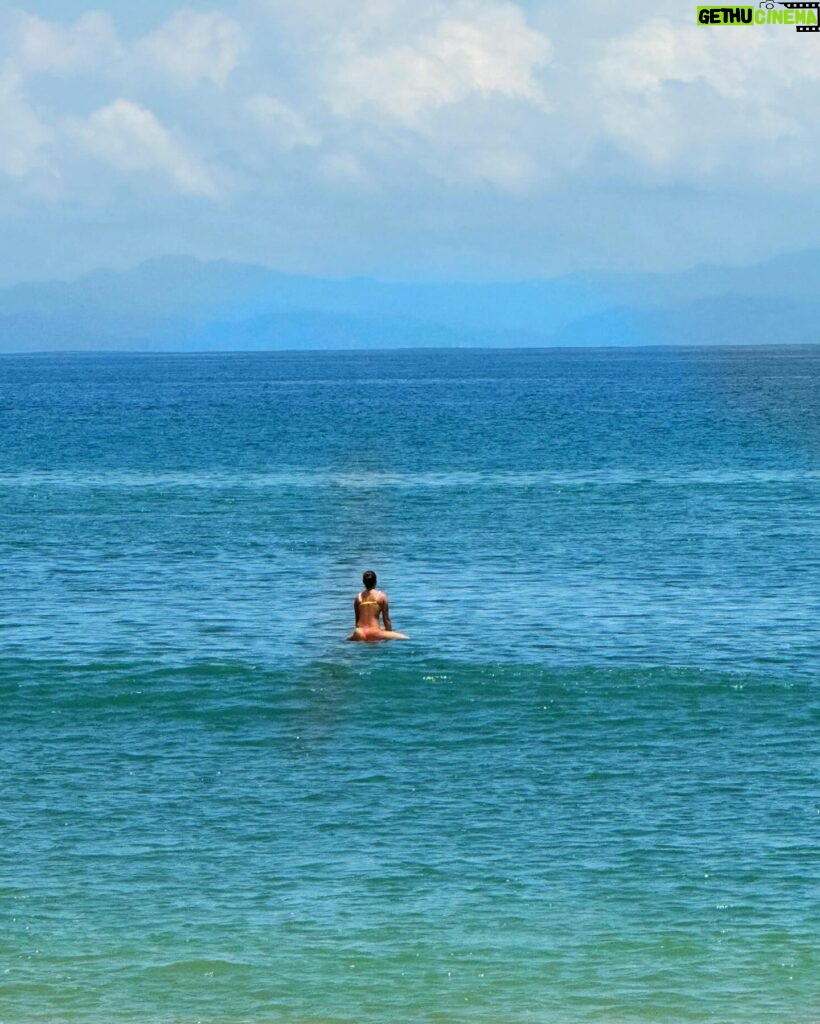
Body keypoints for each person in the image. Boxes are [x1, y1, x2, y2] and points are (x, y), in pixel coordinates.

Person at [347, 570, 408, 642]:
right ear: (375, 582)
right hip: (373, 632)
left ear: (363, 582)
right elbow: (386, 620)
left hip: (359, 632)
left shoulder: (358, 597)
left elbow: (357, 621)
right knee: (406, 638)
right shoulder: (381, 596)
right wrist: (388, 634)